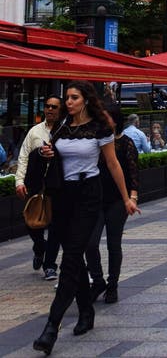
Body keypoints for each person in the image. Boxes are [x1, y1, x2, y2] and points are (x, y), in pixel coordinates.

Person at [33, 80, 139, 356]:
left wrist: (127, 197)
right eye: (67, 97)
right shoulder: (62, 127)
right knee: (73, 255)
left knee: (70, 260)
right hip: (64, 195)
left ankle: (51, 327)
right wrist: (48, 152)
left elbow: (113, 163)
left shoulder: (100, 128)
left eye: (74, 97)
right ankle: (87, 311)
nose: (68, 102)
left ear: (85, 100)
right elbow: (55, 157)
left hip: (89, 194)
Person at [85, 104, 139, 304]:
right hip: (95, 199)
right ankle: (98, 280)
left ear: (114, 120)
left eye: (104, 117)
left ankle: (113, 285)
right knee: (90, 243)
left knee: (113, 244)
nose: (100, 120)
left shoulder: (126, 143)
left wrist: (132, 198)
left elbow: (133, 174)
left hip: (117, 200)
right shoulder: (94, 142)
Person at [15, 96, 63, 280]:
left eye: (54, 107)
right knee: (31, 222)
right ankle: (39, 247)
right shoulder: (35, 132)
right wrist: (19, 182)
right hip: (35, 184)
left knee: (55, 226)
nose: (50, 110)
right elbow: (23, 157)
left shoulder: (65, 132)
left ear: (60, 110)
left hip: (56, 186)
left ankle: (49, 265)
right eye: (48, 106)